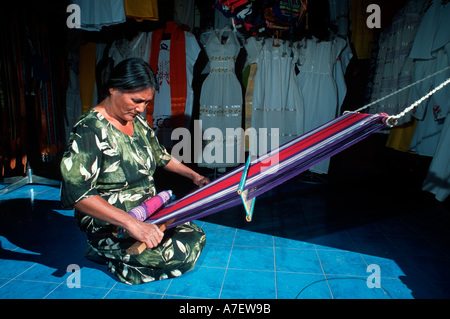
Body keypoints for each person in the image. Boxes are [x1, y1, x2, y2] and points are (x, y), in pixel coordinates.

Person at [60, 58, 210, 285]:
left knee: (195, 236)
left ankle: (118, 252)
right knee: (176, 253)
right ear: (113, 89)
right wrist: (131, 224)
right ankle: (107, 251)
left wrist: (195, 176)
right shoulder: (89, 130)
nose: (141, 108)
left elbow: (160, 156)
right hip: (114, 226)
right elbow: (78, 195)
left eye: (146, 103)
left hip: (147, 214)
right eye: (136, 100)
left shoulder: (137, 122)